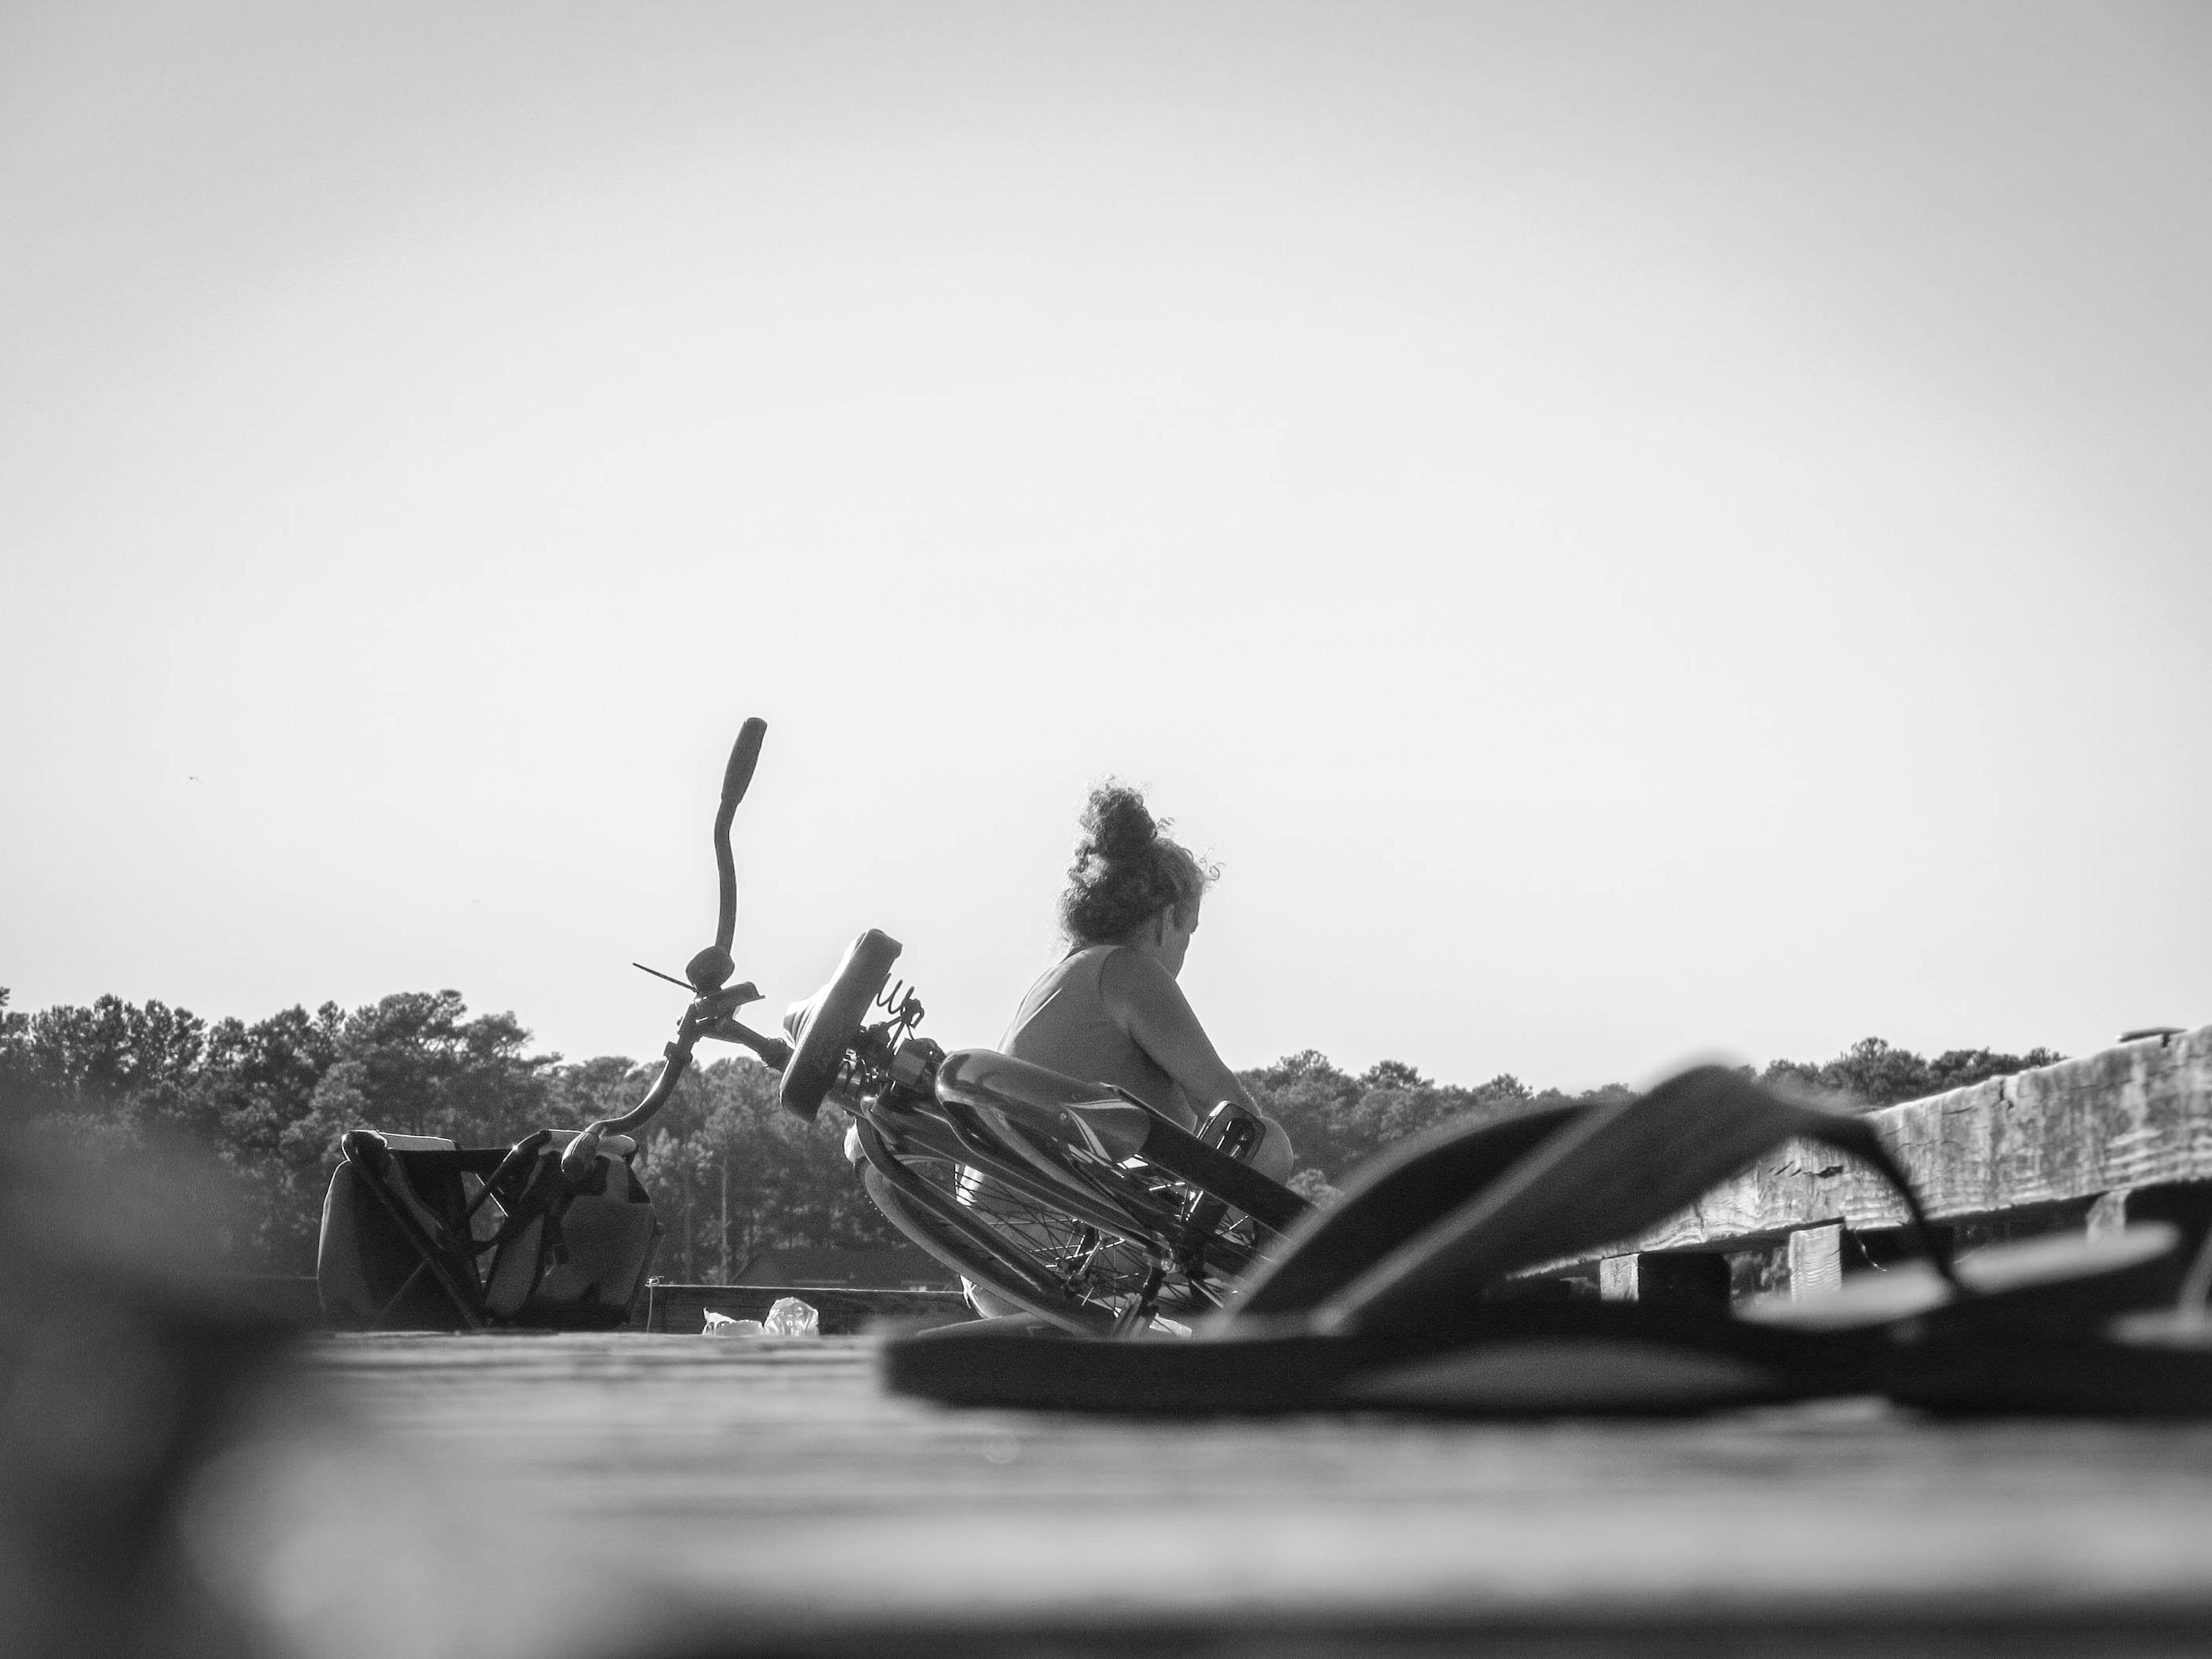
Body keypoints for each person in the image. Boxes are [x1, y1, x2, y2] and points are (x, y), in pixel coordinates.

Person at [1001, 782, 1295, 1184]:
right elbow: (1236, 1116)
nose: (1185, 952)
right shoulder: (1130, 972)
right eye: (1189, 933)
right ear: (1167, 919)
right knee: (1269, 1143)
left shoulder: (1060, 981)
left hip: (1001, 1203)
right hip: (1059, 1212)